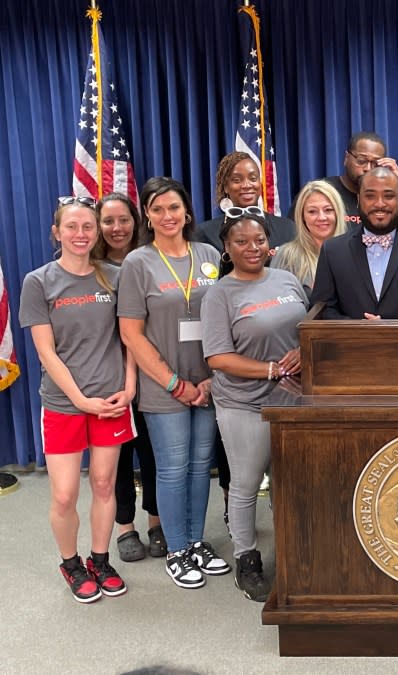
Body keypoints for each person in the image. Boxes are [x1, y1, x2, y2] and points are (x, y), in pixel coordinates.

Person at [19, 196, 136, 602]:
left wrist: (131, 384)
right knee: (65, 493)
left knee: (105, 484)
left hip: (112, 400)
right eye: (72, 227)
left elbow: (129, 339)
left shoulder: (116, 276)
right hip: (64, 404)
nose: (81, 234)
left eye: (88, 227)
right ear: (57, 233)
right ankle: (70, 564)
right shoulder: (39, 281)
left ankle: (99, 561)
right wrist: (81, 400)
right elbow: (45, 352)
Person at [118, 177, 230, 589]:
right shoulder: (137, 263)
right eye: (158, 208)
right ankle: (178, 548)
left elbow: (223, 318)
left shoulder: (209, 254)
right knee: (171, 467)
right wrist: (173, 383)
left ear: (187, 212)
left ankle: (197, 541)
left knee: (203, 467)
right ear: (147, 214)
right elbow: (131, 333)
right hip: (164, 386)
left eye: (174, 207)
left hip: (209, 383)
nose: (167, 216)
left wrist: (213, 379)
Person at [201, 211, 308, 601]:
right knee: (246, 485)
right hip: (244, 405)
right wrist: (271, 369)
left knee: (290, 482)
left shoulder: (286, 279)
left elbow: (305, 326)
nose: (252, 248)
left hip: (293, 400)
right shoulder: (220, 294)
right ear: (227, 248)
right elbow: (217, 358)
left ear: (269, 243)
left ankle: (295, 553)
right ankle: (247, 559)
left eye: (259, 240)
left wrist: (300, 351)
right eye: (242, 242)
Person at [95, 193, 165, 562]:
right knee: (117, 457)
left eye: (124, 219)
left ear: (137, 221)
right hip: (108, 381)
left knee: (153, 455)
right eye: (108, 221)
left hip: (150, 374)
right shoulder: (88, 269)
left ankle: (156, 522)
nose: (117, 228)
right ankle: (125, 527)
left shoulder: (151, 260)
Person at [310, 166, 398, 319]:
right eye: (370, 196)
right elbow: (321, 310)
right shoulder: (333, 250)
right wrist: (358, 330)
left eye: (388, 196)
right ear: (359, 200)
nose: (379, 204)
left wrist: (389, 330)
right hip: (349, 342)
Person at [194, 151, 297, 253]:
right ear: (226, 187)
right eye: (237, 180)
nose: (247, 185)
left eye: (253, 178)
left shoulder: (287, 229)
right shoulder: (205, 233)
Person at [317, 131, 398, 227]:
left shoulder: (387, 194)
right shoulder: (324, 191)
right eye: (361, 161)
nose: (368, 169)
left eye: (375, 164)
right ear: (346, 158)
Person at [271, 180, 347, 292]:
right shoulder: (286, 256)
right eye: (312, 212)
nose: (321, 217)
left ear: (338, 213)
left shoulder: (354, 253)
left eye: (328, 210)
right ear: (302, 216)